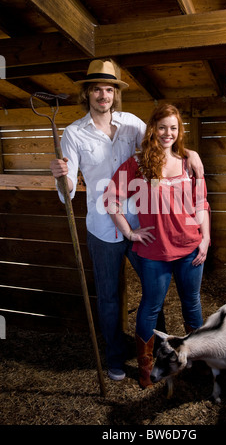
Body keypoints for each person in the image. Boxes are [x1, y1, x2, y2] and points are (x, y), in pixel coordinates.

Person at [50, 60, 204, 382]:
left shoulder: (133, 124)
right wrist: (62, 177)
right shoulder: (74, 134)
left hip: (141, 225)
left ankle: (158, 354)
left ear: (115, 94)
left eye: (109, 89)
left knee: (153, 293)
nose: (103, 95)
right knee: (108, 297)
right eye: (97, 89)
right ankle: (115, 358)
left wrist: (189, 154)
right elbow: (68, 191)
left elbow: (158, 151)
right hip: (103, 228)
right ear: (88, 93)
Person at [104, 103, 210, 388]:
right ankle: (146, 369)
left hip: (189, 247)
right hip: (154, 253)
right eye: (162, 127)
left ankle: (195, 363)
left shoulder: (188, 162)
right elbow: (110, 199)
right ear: (152, 129)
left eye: (173, 128)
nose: (168, 133)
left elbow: (201, 204)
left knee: (192, 304)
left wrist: (206, 239)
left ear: (179, 131)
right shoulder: (137, 164)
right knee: (150, 306)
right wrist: (129, 232)